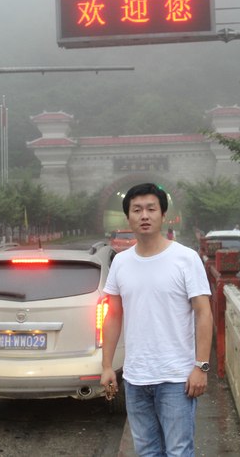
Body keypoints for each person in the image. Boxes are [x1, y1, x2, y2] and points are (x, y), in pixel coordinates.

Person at [100, 183, 213, 457]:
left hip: (176, 378)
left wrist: (201, 366)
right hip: (136, 378)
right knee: (147, 451)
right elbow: (113, 315)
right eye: (137, 210)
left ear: (163, 214)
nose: (144, 215)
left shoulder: (185, 259)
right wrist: (106, 366)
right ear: (128, 217)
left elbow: (204, 312)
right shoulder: (121, 262)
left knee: (179, 451)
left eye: (151, 209)